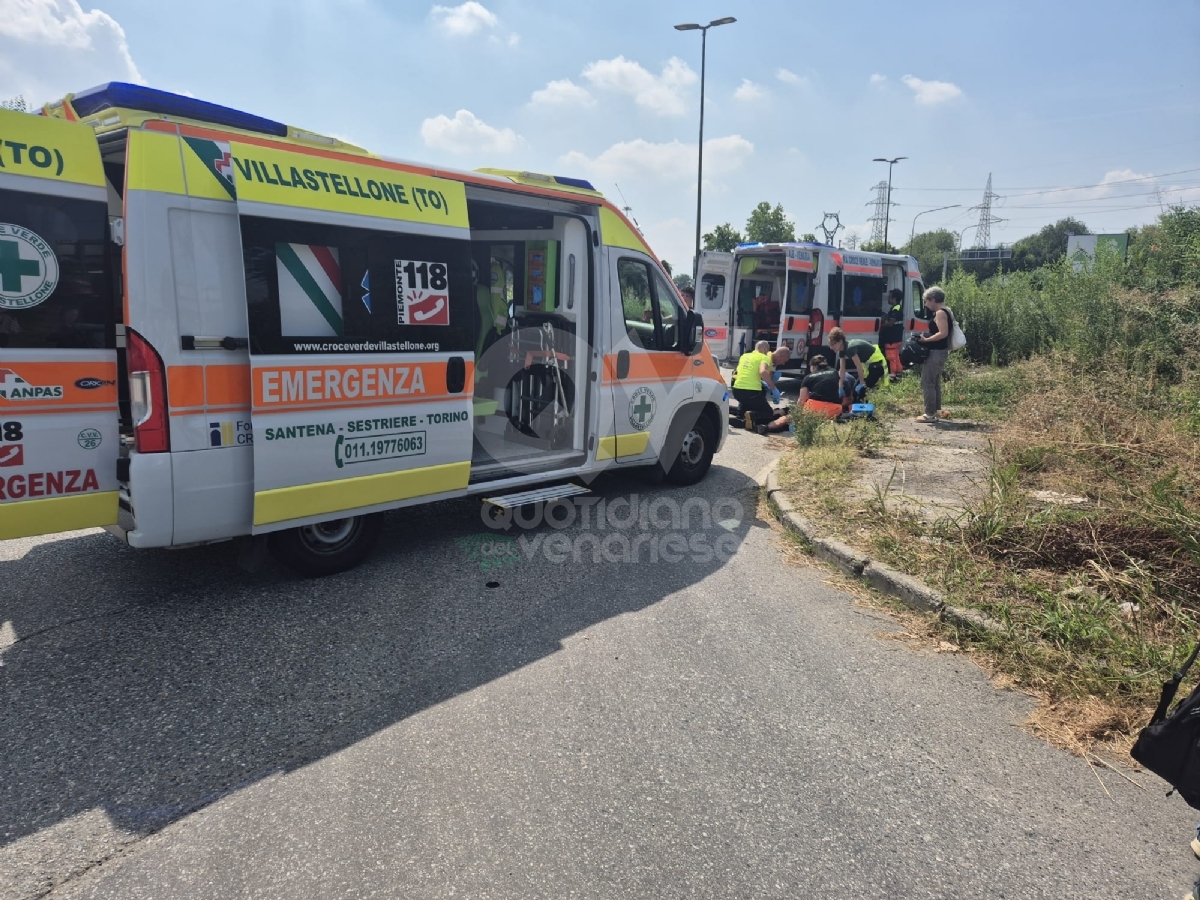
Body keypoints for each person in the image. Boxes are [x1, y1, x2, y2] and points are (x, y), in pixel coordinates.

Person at [914, 286, 954, 424]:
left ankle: (929, 414)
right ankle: (934, 411)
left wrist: (926, 340)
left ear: (933, 299)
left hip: (936, 352)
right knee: (934, 382)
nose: (925, 304)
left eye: (926, 301)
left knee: (927, 382)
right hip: (940, 352)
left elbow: (943, 333)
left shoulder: (940, 313)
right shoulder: (946, 311)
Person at [732, 340, 791, 433]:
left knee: (747, 402)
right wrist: (773, 389)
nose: (768, 352)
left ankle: (740, 418)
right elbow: (763, 372)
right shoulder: (764, 357)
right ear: (764, 349)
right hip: (751, 391)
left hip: (736, 389)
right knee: (768, 413)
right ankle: (753, 415)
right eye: (767, 350)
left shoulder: (744, 356)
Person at [828, 326, 886, 392]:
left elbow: (858, 366)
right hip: (869, 366)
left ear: (840, 341)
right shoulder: (841, 351)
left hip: (877, 364)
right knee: (854, 391)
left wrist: (862, 383)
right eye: (830, 345)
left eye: (833, 344)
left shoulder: (850, 348)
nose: (831, 347)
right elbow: (842, 369)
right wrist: (840, 386)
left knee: (863, 391)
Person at [880, 288, 905, 376]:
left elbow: (891, 323)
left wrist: (881, 325)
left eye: (889, 297)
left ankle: (892, 375)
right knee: (896, 358)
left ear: (894, 298)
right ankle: (898, 374)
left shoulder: (895, 309)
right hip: (897, 338)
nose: (888, 299)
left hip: (892, 339)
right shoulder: (897, 308)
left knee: (891, 359)